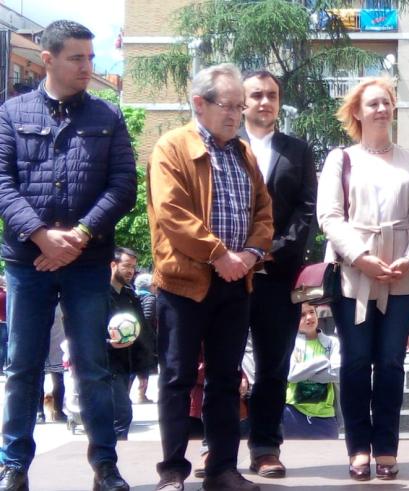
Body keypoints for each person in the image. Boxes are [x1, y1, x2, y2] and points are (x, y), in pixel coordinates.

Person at [0, 20, 136, 491]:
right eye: (77, 58)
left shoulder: (108, 116)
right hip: (27, 262)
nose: (87, 67)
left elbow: (123, 187)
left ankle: (105, 467)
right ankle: (13, 466)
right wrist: (40, 236)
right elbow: (2, 184)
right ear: (48, 59)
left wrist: (77, 236)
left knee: (93, 366)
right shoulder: (11, 114)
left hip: (87, 262)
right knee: (21, 366)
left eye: (91, 58)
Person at [147, 62, 273, 491]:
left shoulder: (242, 151)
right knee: (178, 377)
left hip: (237, 281)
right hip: (184, 283)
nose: (237, 114)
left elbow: (264, 211)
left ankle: (222, 469)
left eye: (240, 106)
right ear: (199, 103)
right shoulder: (172, 147)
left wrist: (252, 253)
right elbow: (172, 214)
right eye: (229, 105)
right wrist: (219, 253)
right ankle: (171, 472)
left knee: (226, 377)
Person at [316, 77, 409, 482]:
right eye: (372, 104)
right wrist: (362, 257)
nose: (381, 109)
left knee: (389, 363)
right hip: (354, 275)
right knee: (354, 362)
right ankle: (357, 447)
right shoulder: (341, 159)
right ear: (357, 112)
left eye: (386, 102)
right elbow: (329, 216)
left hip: (401, 277)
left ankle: (386, 446)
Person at [238, 69, 317, 479]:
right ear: (242, 101)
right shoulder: (223, 145)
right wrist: (235, 255)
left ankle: (265, 446)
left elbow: (307, 210)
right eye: (256, 95)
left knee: (273, 365)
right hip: (228, 272)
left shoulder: (297, 150)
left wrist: (270, 253)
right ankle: (215, 446)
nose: (265, 102)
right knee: (221, 363)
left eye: (271, 95)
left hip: (277, 273)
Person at [106, 247, 153, 441]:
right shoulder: (98, 295)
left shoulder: (130, 295)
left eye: (133, 267)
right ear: (113, 265)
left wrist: (144, 369)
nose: (130, 271)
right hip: (104, 363)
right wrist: (108, 342)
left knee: (121, 415)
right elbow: (85, 330)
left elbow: (143, 332)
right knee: (121, 414)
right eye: (126, 266)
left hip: (126, 364)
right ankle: (109, 461)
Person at [282, 302, 341, 439]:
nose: (309, 317)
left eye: (311, 312)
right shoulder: (290, 342)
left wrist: (305, 372)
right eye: (302, 314)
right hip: (293, 412)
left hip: (325, 415)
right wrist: (323, 361)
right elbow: (292, 374)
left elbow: (337, 374)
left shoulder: (332, 343)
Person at [132, 272, 157, 404]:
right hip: (145, 337)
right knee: (144, 365)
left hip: (132, 333)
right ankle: (141, 395)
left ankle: (127, 394)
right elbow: (148, 317)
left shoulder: (132, 295)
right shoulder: (150, 298)